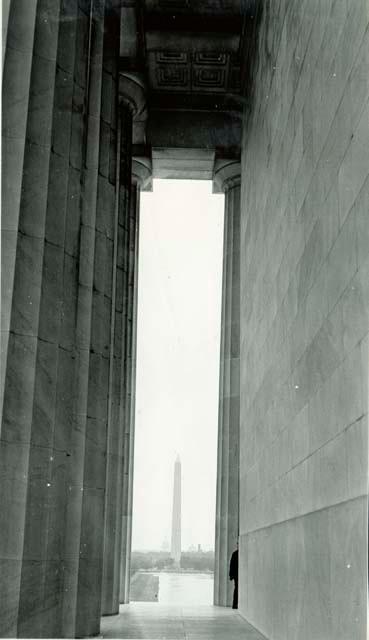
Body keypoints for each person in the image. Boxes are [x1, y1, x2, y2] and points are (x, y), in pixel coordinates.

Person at [229, 543, 239, 609]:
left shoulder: (235, 553)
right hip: (236, 575)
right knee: (237, 589)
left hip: (236, 575)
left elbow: (231, 565)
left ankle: (235, 605)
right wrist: (231, 575)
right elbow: (232, 565)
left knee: (236, 589)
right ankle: (235, 604)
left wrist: (231, 575)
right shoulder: (235, 554)